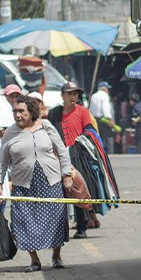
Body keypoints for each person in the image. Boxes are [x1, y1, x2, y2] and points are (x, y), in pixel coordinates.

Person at [0, 95, 73, 272]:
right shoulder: (10, 133)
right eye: (15, 111)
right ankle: (35, 260)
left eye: (21, 111)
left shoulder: (46, 126)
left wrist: (66, 175)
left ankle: (56, 256)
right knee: (23, 222)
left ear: (31, 111)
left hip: (50, 181)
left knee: (56, 219)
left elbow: (62, 151)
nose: (17, 115)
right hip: (23, 185)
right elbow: (2, 162)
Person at [47, 81, 98, 238]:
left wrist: (82, 142)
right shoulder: (54, 113)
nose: (73, 96)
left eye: (75, 93)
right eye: (69, 93)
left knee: (78, 189)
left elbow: (89, 131)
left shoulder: (83, 111)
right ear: (62, 95)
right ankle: (59, 226)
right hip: (58, 156)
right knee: (58, 190)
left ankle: (82, 226)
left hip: (77, 154)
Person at [88, 81, 120, 154]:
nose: (108, 90)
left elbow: (90, 109)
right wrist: (110, 119)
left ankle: (100, 153)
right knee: (109, 137)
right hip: (104, 119)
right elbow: (106, 109)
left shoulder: (93, 96)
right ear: (104, 89)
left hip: (95, 119)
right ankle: (110, 153)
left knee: (99, 137)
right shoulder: (105, 95)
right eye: (107, 88)